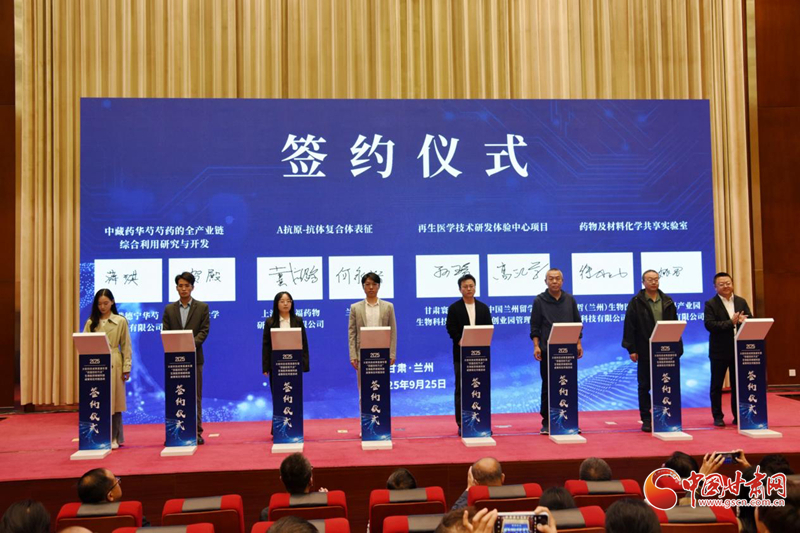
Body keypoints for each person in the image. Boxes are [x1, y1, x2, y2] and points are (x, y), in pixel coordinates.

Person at [622, 269, 682, 433]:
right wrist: (631, 348)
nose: (654, 282)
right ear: (643, 282)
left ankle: (665, 415)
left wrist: (678, 347)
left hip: (666, 350)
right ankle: (647, 418)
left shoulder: (667, 300)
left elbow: (675, 324)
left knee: (665, 383)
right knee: (645, 385)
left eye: (656, 279)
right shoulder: (636, 302)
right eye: (650, 279)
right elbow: (629, 326)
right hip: (645, 349)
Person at [530, 268, 583, 435]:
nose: (554, 281)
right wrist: (536, 346)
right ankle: (547, 421)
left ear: (562, 281)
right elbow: (535, 326)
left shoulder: (570, 300)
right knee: (548, 386)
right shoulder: (539, 300)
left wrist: (578, 343)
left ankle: (569, 419)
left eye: (557, 278)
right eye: (551, 279)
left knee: (569, 384)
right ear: (546, 281)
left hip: (568, 351)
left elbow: (577, 323)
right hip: (547, 351)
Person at [162, 272, 210, 445]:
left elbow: (204, 331)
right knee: (176, 394)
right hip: (174, 361)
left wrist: (189, 345)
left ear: (192, 287)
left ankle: (196, 432)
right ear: (176, 288)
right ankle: (175, 431)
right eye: (180, 286)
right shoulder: (169, 309)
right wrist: (178, 346)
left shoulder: (202, 307)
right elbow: (166, 332)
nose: (183, 289)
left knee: (195, 396)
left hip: (195, 358)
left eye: (187, 286)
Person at [84, 289, 131, 449]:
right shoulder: (91, 322)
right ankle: (97, 435)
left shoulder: (120, 321)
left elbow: (126, 345)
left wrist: (126, 367)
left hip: (114, 362)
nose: (103, 307)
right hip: (95, 365)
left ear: (112, 302)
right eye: (99, 304)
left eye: (106, 303)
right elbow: (84, 344)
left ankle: (115, 437)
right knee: (98, 400)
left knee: (115, 403)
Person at [704, 272, 752, 427]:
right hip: (719, 350)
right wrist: (731, 323)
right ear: (715, 287)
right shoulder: (711, 304)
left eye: (728, 283)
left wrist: (745, 321)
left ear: (732, 284)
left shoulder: (740, 301)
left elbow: (750, 318)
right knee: (717, 385)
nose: (726, 286)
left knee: (738, 384)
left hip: (739, 349)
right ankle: (717, 416)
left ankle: (738, 415)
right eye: (721, 284)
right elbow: (710, 325)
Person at [446, 274, 492, 435]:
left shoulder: (483, 308)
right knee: (461, 388)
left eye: (471, 286)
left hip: (480, 356)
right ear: (460, 289)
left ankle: (482, 422)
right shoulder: (454, 308)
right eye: (465, 286)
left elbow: (488, 328)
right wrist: (460, 340)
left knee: (481, 387)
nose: (469, 289)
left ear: (475, 287)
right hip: (461, 355)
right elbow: (451, 328)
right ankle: (462, 423)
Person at [262, 291, 310, 436]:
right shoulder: (270, 322)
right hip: (276, 366)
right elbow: (266, 345)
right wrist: (266, 366)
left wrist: (304, 364)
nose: (285, 304)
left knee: (293, 397)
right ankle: (277, 429)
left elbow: (304, 343)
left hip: (294, 366)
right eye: (282, 301)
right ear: (276, 304)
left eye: (288, 301)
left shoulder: (297, 321)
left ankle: (294, 427)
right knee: (278, 397)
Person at [348, 272, 397, 401]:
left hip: (382, 354)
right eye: (367, 284)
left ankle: (382, 414)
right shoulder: (355, 308)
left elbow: (393, 331)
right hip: (363, 354)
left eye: (374, 284)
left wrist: (392, 353)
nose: (371, 287)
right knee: (364, 390)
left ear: (378, 286)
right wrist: (353, 355)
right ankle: (364, 415)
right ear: (363, 286)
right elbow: (352, 333)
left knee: (381, 389)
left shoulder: (388, 307)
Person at [260, 453, 328, 521]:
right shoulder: (324, 507)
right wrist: (323, 500)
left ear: (282, 480)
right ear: (310, 481)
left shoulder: (268, 514)